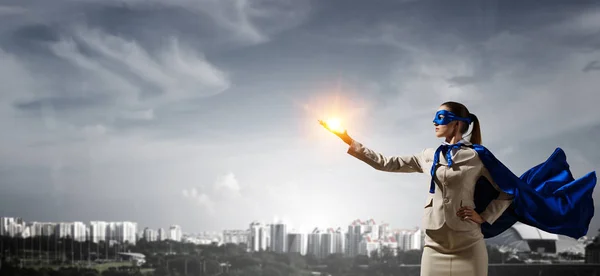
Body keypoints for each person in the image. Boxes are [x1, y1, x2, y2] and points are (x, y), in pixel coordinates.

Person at [319, 101, 596, 276]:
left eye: (440, 118)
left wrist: (485, 216)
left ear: (456, 123)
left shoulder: (478, 155)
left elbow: (510, 189)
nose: (434, 123)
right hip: (434, 244)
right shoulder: (429, 154)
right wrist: (348, 140)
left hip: (468, 243)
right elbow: (386, 163)